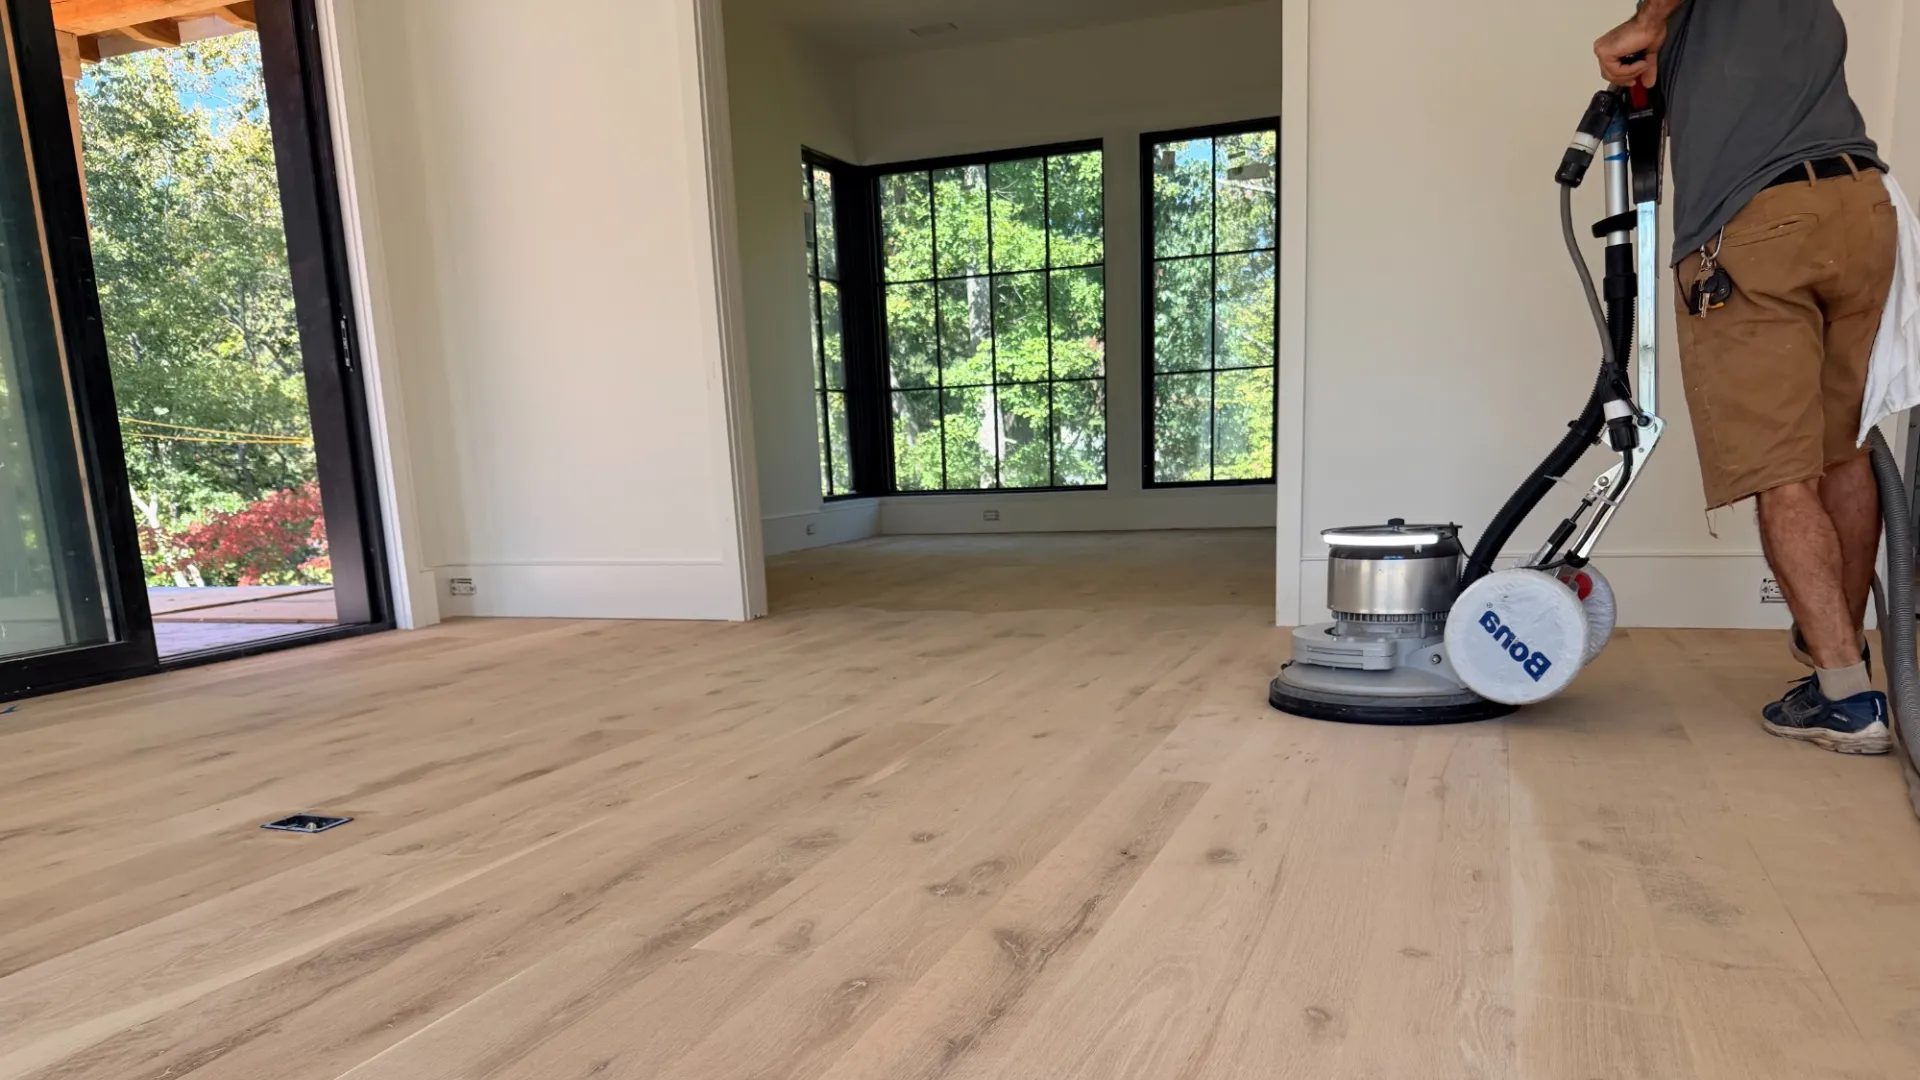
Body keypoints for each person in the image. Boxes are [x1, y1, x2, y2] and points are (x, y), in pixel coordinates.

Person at [1595, 0, 1895, 754]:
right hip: (1863, 207)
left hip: (1756, 223)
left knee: (1781, 471)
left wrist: (1647, 24)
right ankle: (1838, 658)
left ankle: (1847, 700)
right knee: (1846, 449)